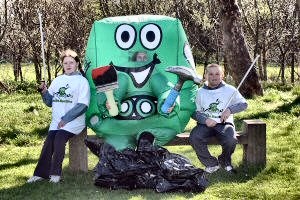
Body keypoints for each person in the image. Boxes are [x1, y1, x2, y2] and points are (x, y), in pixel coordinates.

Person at [27, 49, 90, 183]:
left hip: (74, 121)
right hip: (57, 122)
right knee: (49, 142)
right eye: (65, 63)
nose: (68, 65)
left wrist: (65, 119)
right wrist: (44, 92)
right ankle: (40, 174)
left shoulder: (82, 81)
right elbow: (49, 102)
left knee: (59, 139)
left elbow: (83, 105)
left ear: (77, 64)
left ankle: (55, 174)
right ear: (62, 64)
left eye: (71, 62)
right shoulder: (57, 80)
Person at [189, 63, 247, 174]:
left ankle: (225, 161)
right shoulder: (200, 92)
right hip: (205, 124)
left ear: (222, 75)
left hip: (224, 124)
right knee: (194, 137)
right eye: (210, 74)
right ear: (205, 75)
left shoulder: (230, 90)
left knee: (231, 140)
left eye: (217, 74)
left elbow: (244, 104)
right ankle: (211, 164)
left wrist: (230, 110)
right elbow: (193, 112)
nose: (214, 77)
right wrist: (205, 120)